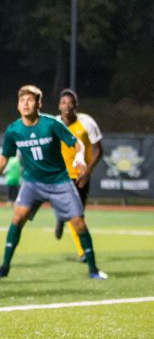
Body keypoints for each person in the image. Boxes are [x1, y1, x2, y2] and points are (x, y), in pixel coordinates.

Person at [0, 85, 107, 280]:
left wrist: (80, 157)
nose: (25, 104)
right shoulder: (13, 130)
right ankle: (4, 268)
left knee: (79, 223)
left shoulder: (51, 124)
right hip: (33, 183)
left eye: (30, 100)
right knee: (18, 218)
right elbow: (3, 159)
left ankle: (94, 269)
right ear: (18, 106)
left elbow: (77, 144)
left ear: (39, 104)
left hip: (59, 181)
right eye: (22, 101)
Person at [56, 88, 104, 260]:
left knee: (78, 213)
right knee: (75, 214)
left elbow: (99, 150)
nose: (67, 106)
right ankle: (82, 251)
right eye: (63, 103)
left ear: (76, 105)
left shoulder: (87, 123)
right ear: (59, 106)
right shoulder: (54, 124)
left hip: (81, 175)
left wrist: (88, 171)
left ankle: (60, 216)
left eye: (70, 103)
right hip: (62, 176)